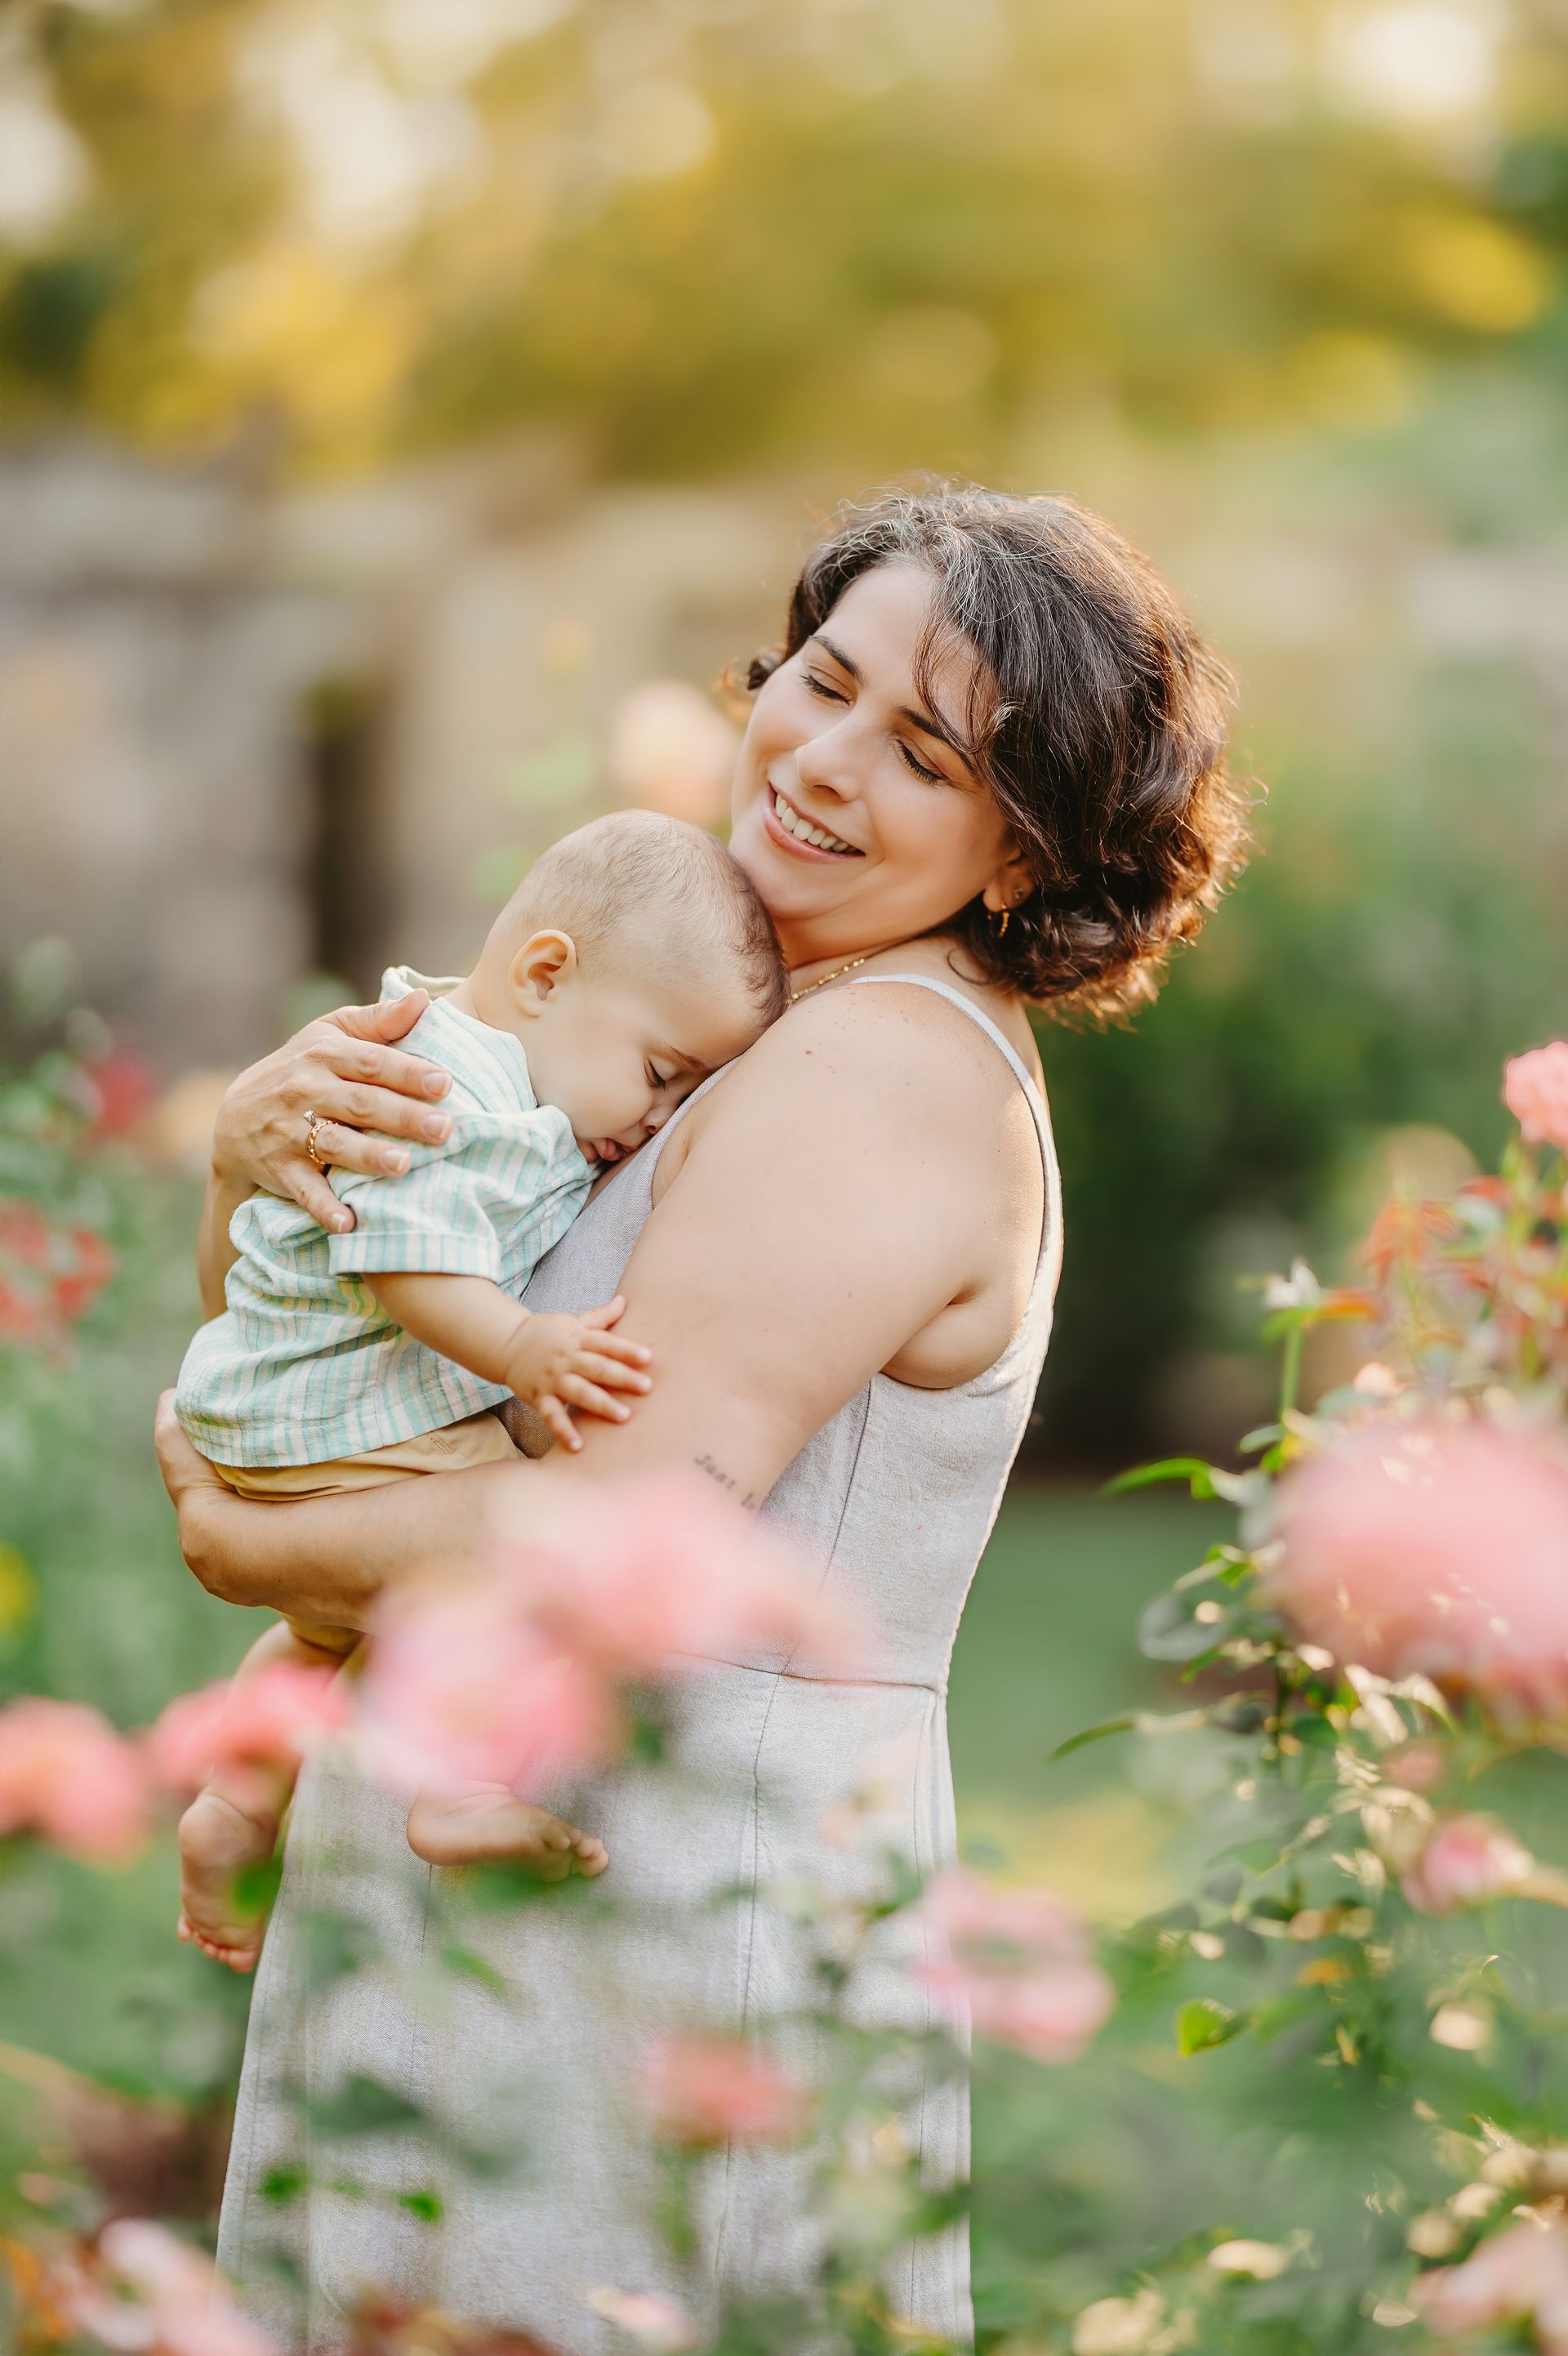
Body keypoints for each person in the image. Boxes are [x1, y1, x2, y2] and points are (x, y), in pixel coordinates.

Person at [155, 484, 1250, 2354]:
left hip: (655, 1922)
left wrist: (237, 1539)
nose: (820, 760)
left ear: (1017, 852)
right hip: (525, 1879)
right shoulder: (737, 1008)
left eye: (917, 751)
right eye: (821, 680)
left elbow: (611, 1528)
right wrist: (252, 1167)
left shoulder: (887, 1068)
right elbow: (374, 1367)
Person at [171, 812, 787, 1967]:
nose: (655, 1116)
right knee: (508, 1557)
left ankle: (234, 1805)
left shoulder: (508, 1078)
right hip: (331, 1408)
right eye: (659, 1075)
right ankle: (456, 1787)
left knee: (320, 1634)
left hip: (288, 1409)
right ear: (546, 974)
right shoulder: (454, 1090)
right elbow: (407, 1258)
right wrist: (524, 1351)